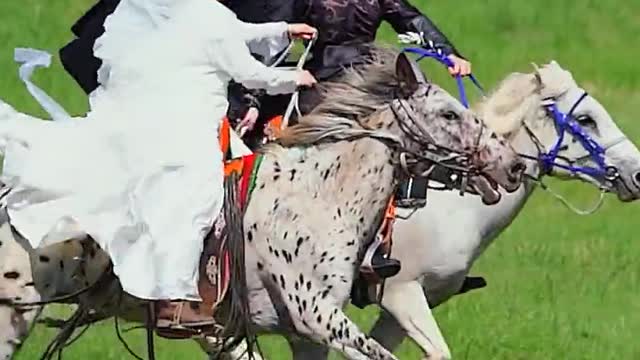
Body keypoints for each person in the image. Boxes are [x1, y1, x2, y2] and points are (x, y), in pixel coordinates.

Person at [0, 0, 317, 326]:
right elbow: (249, 74)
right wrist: (293, 79)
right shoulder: (209, 16)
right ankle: (173, 300)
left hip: (154, 109)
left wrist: (282, 31)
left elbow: (234, 31)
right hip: (185, 125)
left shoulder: (180, 9)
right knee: (200, 193)